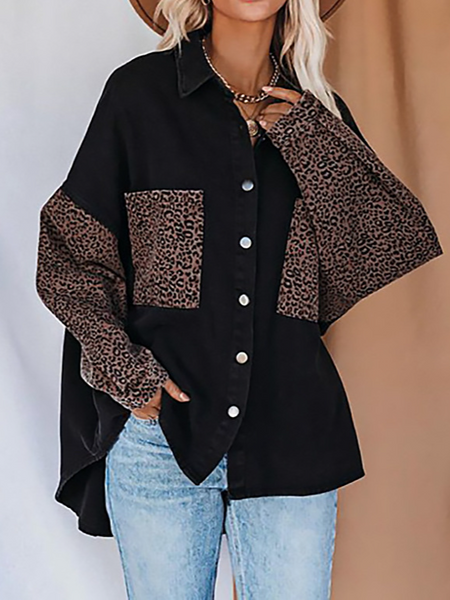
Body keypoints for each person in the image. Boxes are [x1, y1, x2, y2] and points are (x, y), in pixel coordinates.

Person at [35, 0, 443, 597]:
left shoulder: (319, 117)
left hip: (292, 432)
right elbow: (69, 254)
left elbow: (385, 243)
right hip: (162, 439)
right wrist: (129, 376)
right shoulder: (139, 96)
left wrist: (307, 140)